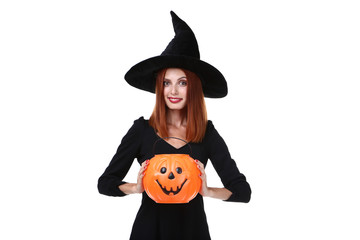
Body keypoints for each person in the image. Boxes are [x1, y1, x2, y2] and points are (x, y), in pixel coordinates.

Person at [98, 11, 251, 240]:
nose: (173, 91)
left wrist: (208, 191)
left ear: (194, 88)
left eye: (182, 82)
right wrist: (135, 187)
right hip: (149, 233)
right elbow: (106, 183)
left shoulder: (206, 134)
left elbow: (242, 191)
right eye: (166, 82)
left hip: (193, 233)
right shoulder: (141, 130)